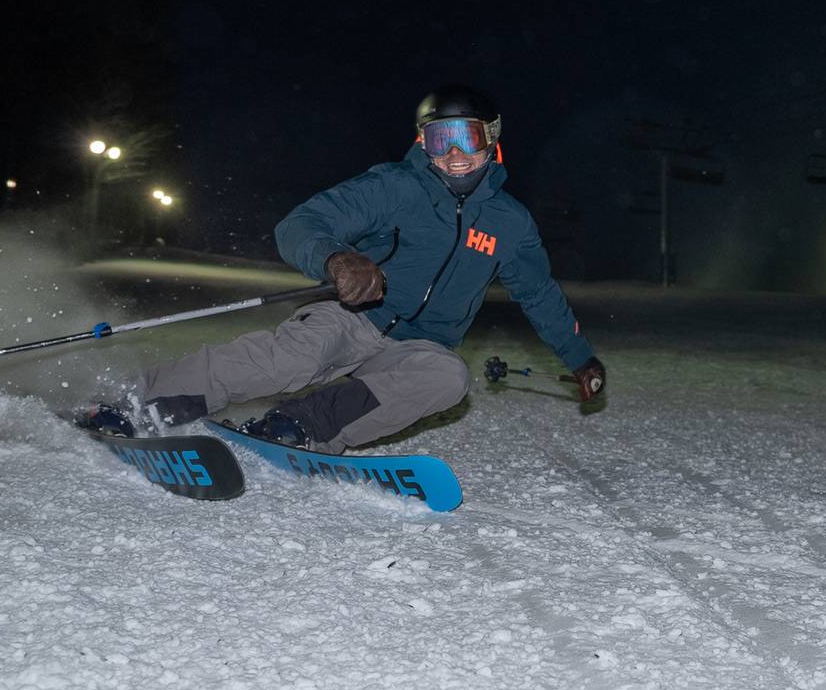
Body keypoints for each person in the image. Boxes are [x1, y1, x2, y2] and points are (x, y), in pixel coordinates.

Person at [83, 84, 605, 453]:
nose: (455, 155)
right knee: (296, 356)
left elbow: (539, 294)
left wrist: (580, 359)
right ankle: (138, 402)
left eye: (466, 137)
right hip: (351, 317)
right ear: (423, 143)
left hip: (421, 345)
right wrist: (337, 257)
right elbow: (301, 223)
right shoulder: (394, 186)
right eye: (439, 140)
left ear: (491, 138)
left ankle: (300, 426)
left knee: (448, 377)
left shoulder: (510, 223)